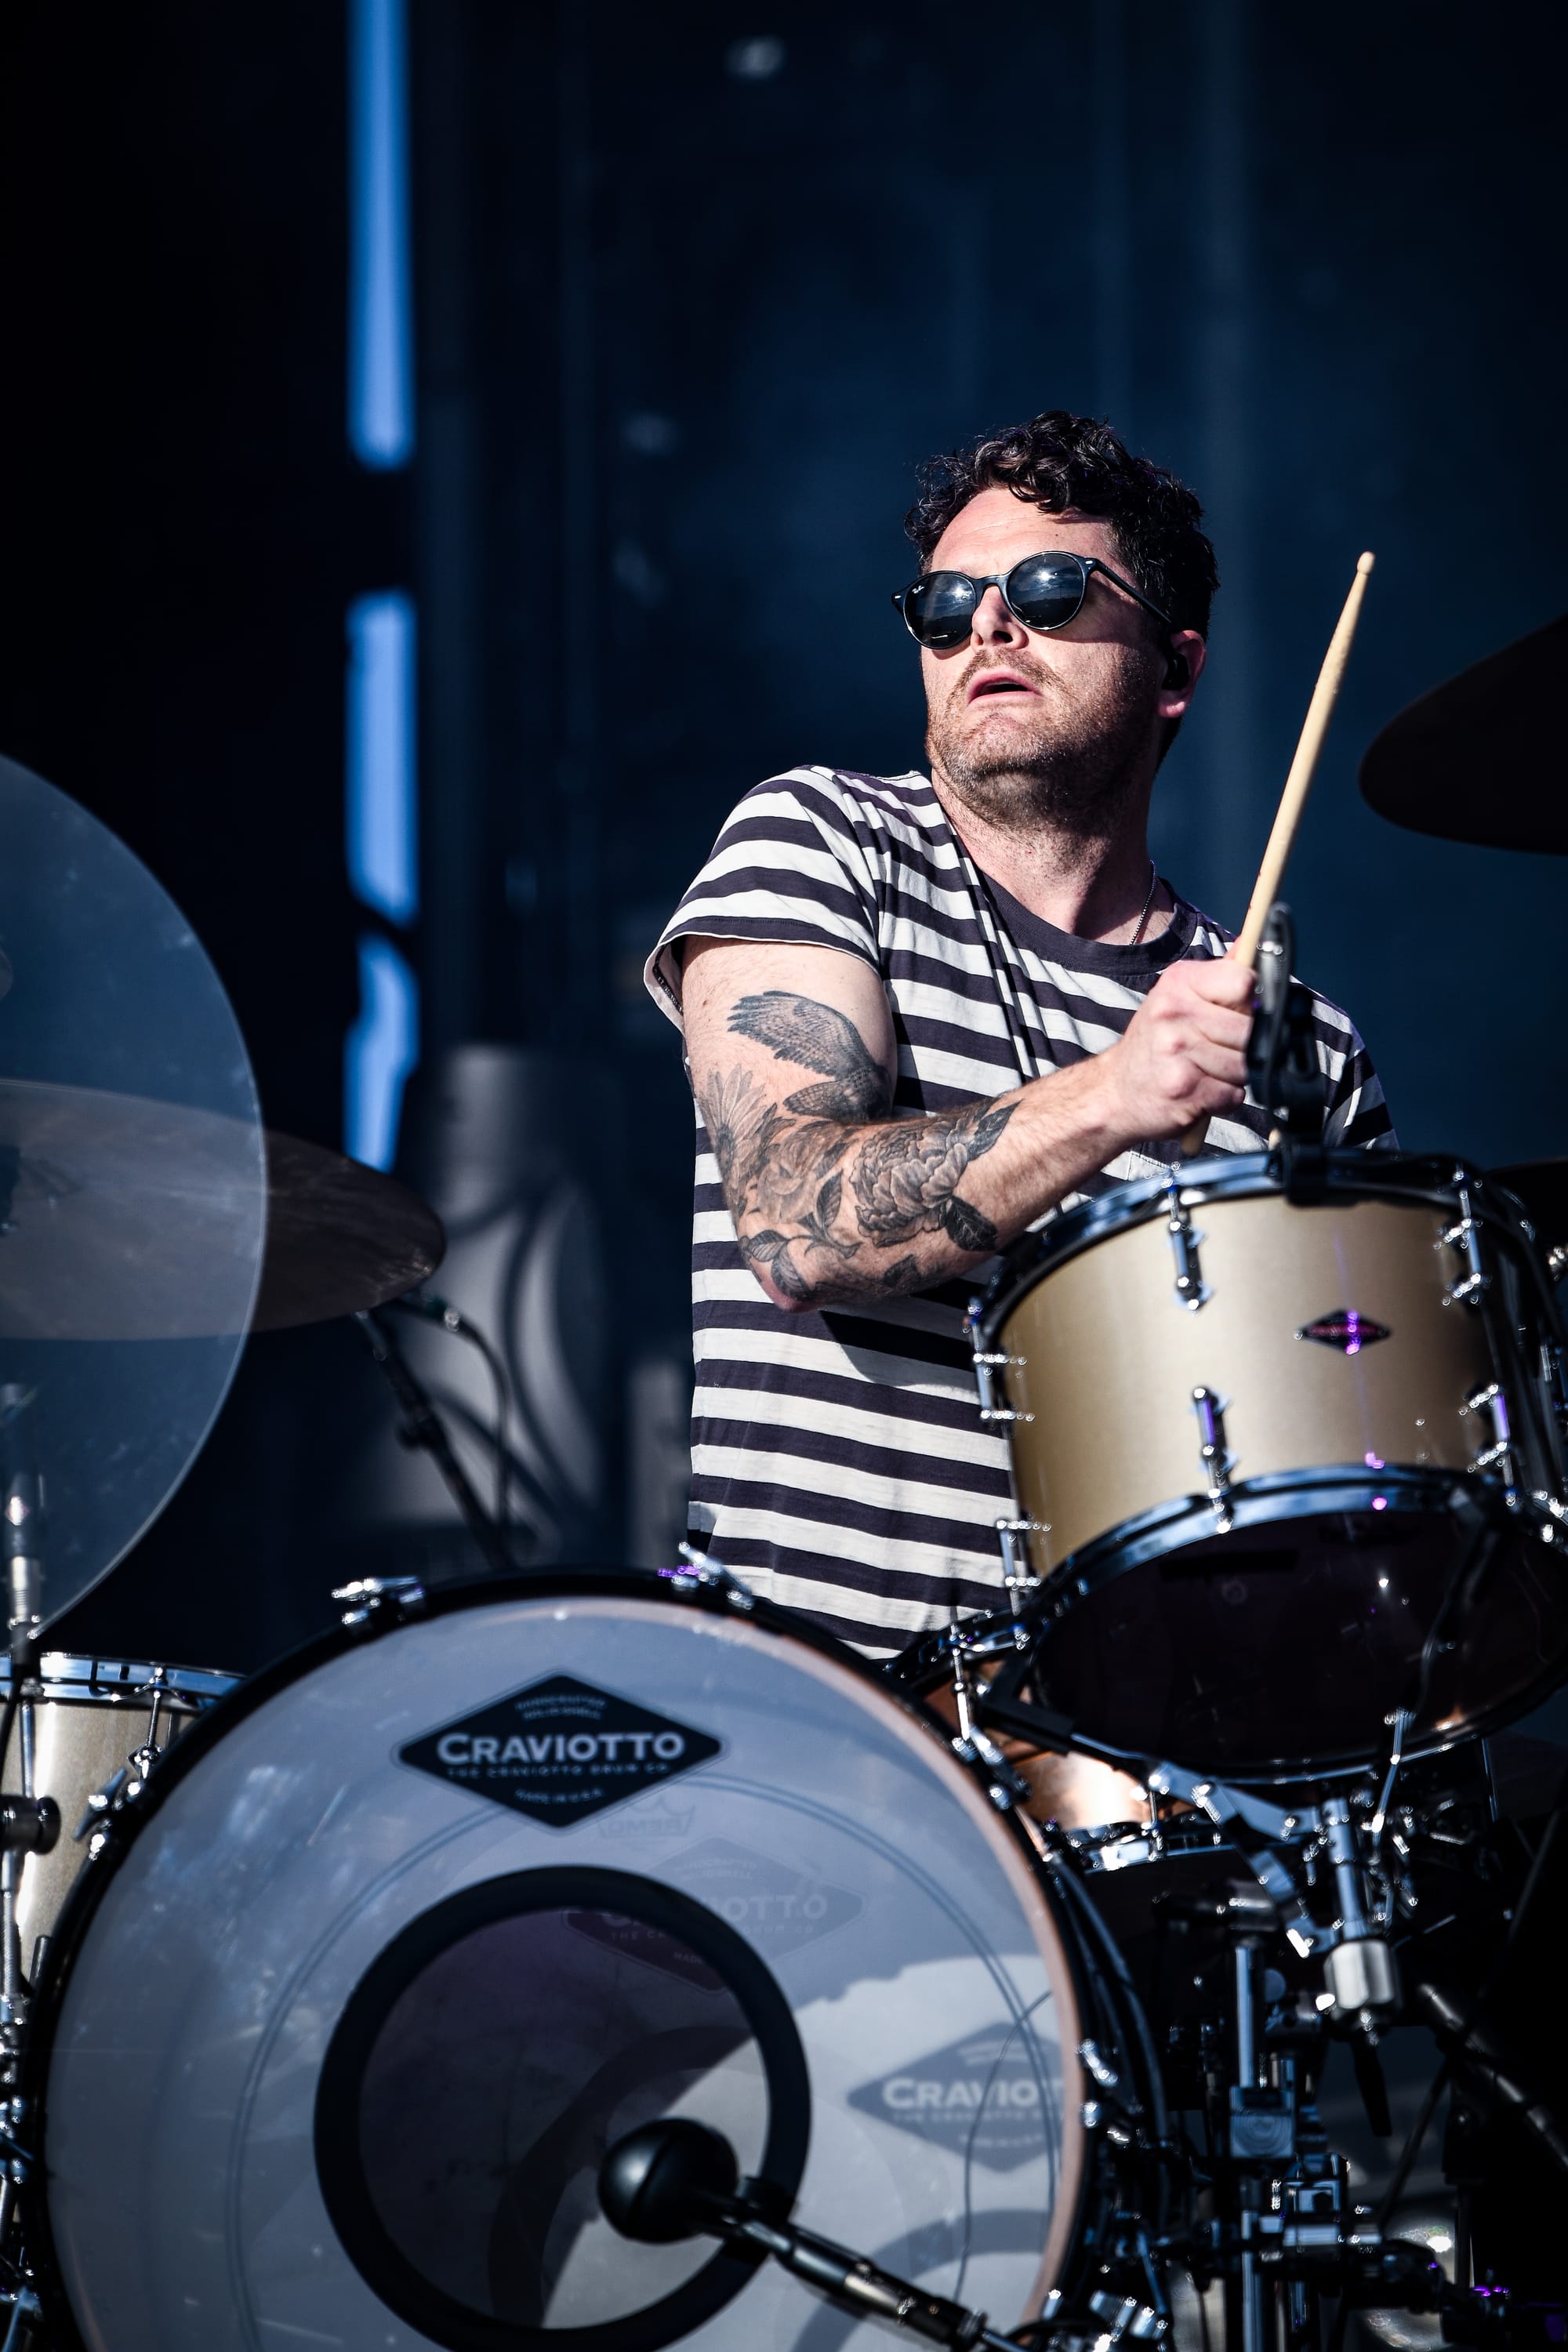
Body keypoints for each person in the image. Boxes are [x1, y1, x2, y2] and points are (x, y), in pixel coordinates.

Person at [644, 410, 1392, 1656]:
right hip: (823, 1706)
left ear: (1174, 669)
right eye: (944, 608)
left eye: (1049, 591)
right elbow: (794, 1227)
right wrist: (1116, 1094)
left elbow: (1343, 1466)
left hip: (1139, 1747)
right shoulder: (821, 843)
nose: (987, 627)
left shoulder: (1300, 1049)